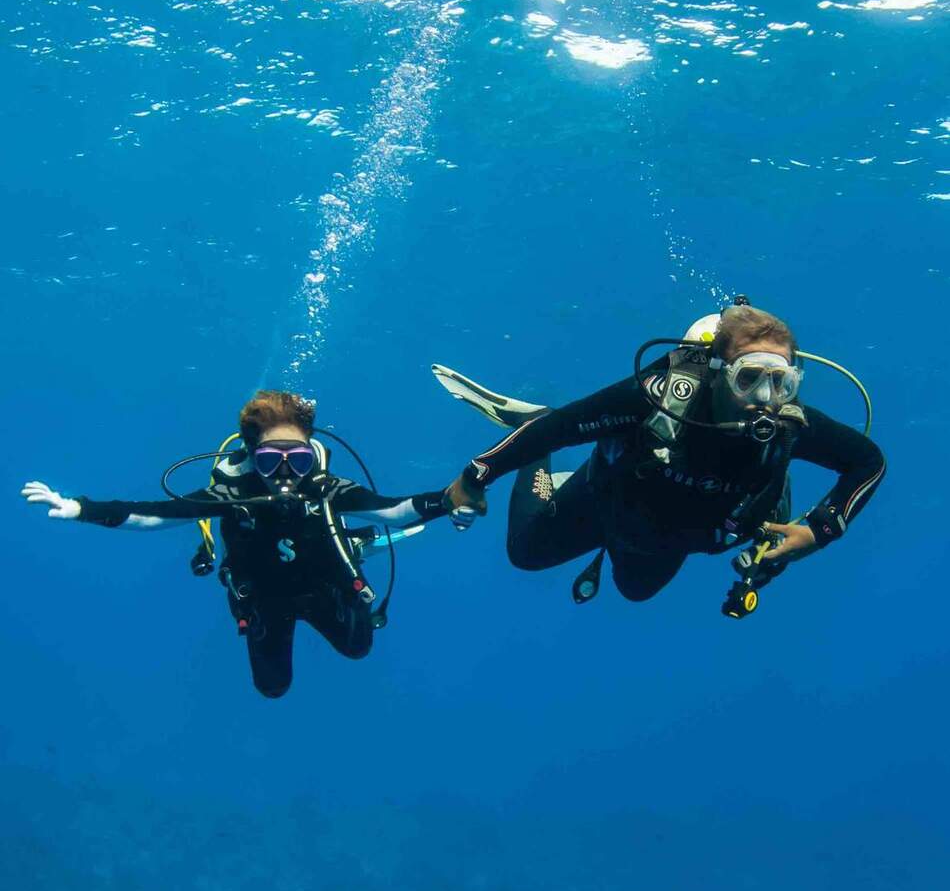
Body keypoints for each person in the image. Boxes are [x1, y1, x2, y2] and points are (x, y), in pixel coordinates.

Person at [22, 390, 475, 698]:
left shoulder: (322, 486)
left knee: (359, 649)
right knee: (272, 688)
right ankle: (352, 547)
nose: (284, 473)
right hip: (264, 598)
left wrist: (449, 498)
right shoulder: (231, 493)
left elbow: (391, 509)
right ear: (249, 453)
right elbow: (156, 515)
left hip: (326, 584)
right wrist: (83, 508)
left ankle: (352, 546)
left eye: (297, 458)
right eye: (269, 459)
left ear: (311, 452)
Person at [439, 303, 885, 604]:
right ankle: (529, 422)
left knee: (635, 592)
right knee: (525, 554)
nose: (766, 398)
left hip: (672, 538)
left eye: (781, 382)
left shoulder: (789, 426)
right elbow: (560, 429)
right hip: (604, 500)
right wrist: (475, 476)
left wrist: (818, 531)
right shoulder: (653, 400)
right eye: (749, 378)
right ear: (716, 372)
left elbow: (868, 461)